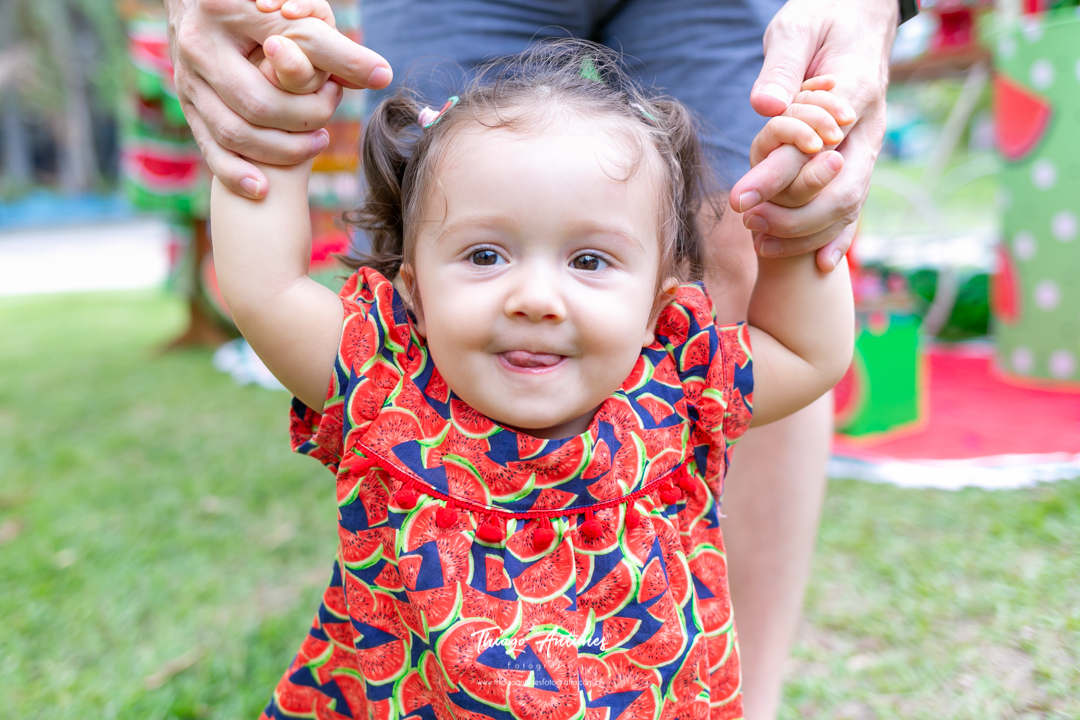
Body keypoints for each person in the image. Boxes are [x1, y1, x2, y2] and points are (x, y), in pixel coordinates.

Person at [165, 1, 899, 716]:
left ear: (657, 304)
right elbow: (267, 290)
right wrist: (271, 130)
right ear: (412, 290)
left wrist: (800, 226)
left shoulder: (680, 388)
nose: (536, 298)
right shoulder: (382, 381)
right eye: (486, 254)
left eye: (589, 259)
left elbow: (807, 352)